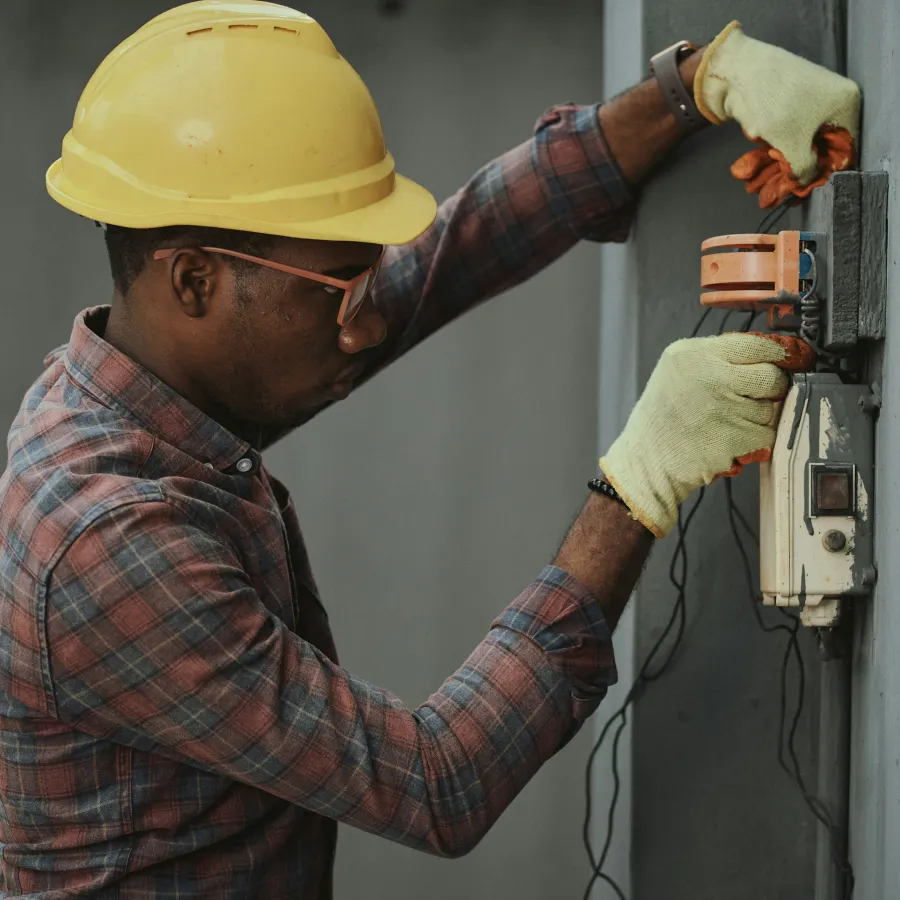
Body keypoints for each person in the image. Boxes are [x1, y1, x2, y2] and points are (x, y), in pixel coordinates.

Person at [0, 3, 859, 897]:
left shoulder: (140, 391)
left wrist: (693, 88)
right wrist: (639, 482)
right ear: (195, 280)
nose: (366, 317)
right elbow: (436, 782)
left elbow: (449, 258)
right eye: (341, 286)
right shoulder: (106, 542)